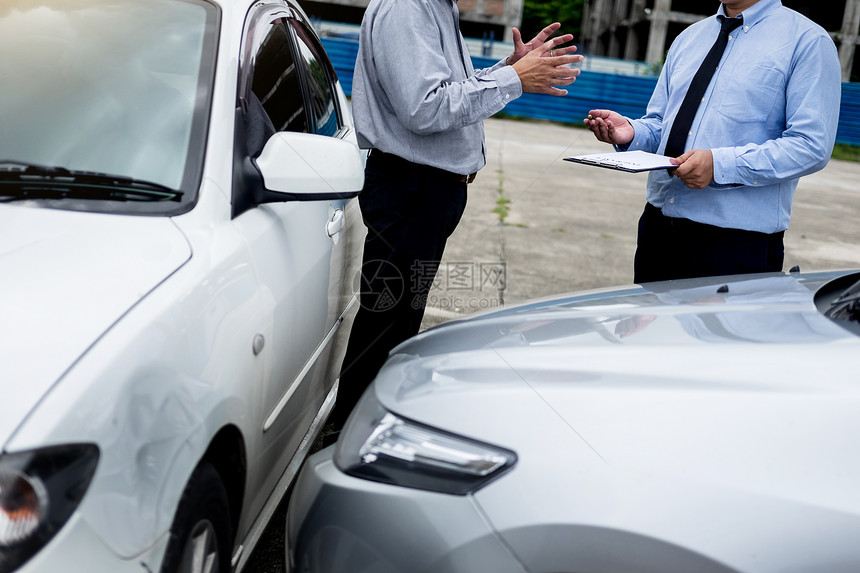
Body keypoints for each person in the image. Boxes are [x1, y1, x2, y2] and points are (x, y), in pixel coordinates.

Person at [325, 1, 584, 436]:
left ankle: (366, 430)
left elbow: (450, 89)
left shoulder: (436, 8)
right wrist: (513, 80)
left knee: (398, 324)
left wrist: (508, 68)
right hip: (411, 188)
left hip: (425, 190)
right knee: (385, 326)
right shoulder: (408, 8)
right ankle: (349, 437)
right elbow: (426, 108)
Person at [584, 0, 841, 284]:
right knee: (652, 329)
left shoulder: (807, 42)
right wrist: (632, 132)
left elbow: (810, 145)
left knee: (718, 331)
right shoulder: (689, 38)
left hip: (735, 243)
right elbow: (662, 124)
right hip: (658, 227)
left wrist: (719, 165)